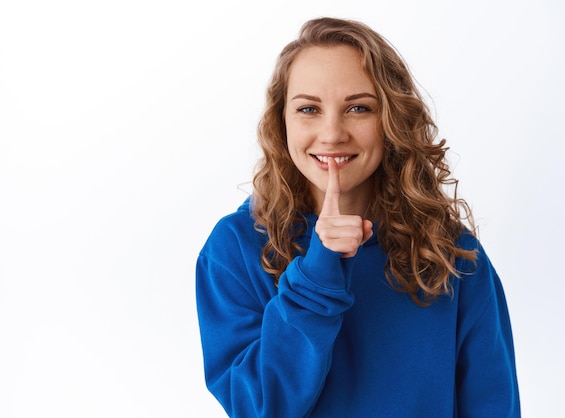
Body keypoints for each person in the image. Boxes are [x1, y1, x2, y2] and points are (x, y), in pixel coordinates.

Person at [196, 17, 520, 417]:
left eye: (358, 108)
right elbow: (260, 407)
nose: (332, 133)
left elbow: (492, 403)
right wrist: (318, 271)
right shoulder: (235, 248)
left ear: (391, 120)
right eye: (309, 109)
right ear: (282, 123)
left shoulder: (451, 251)